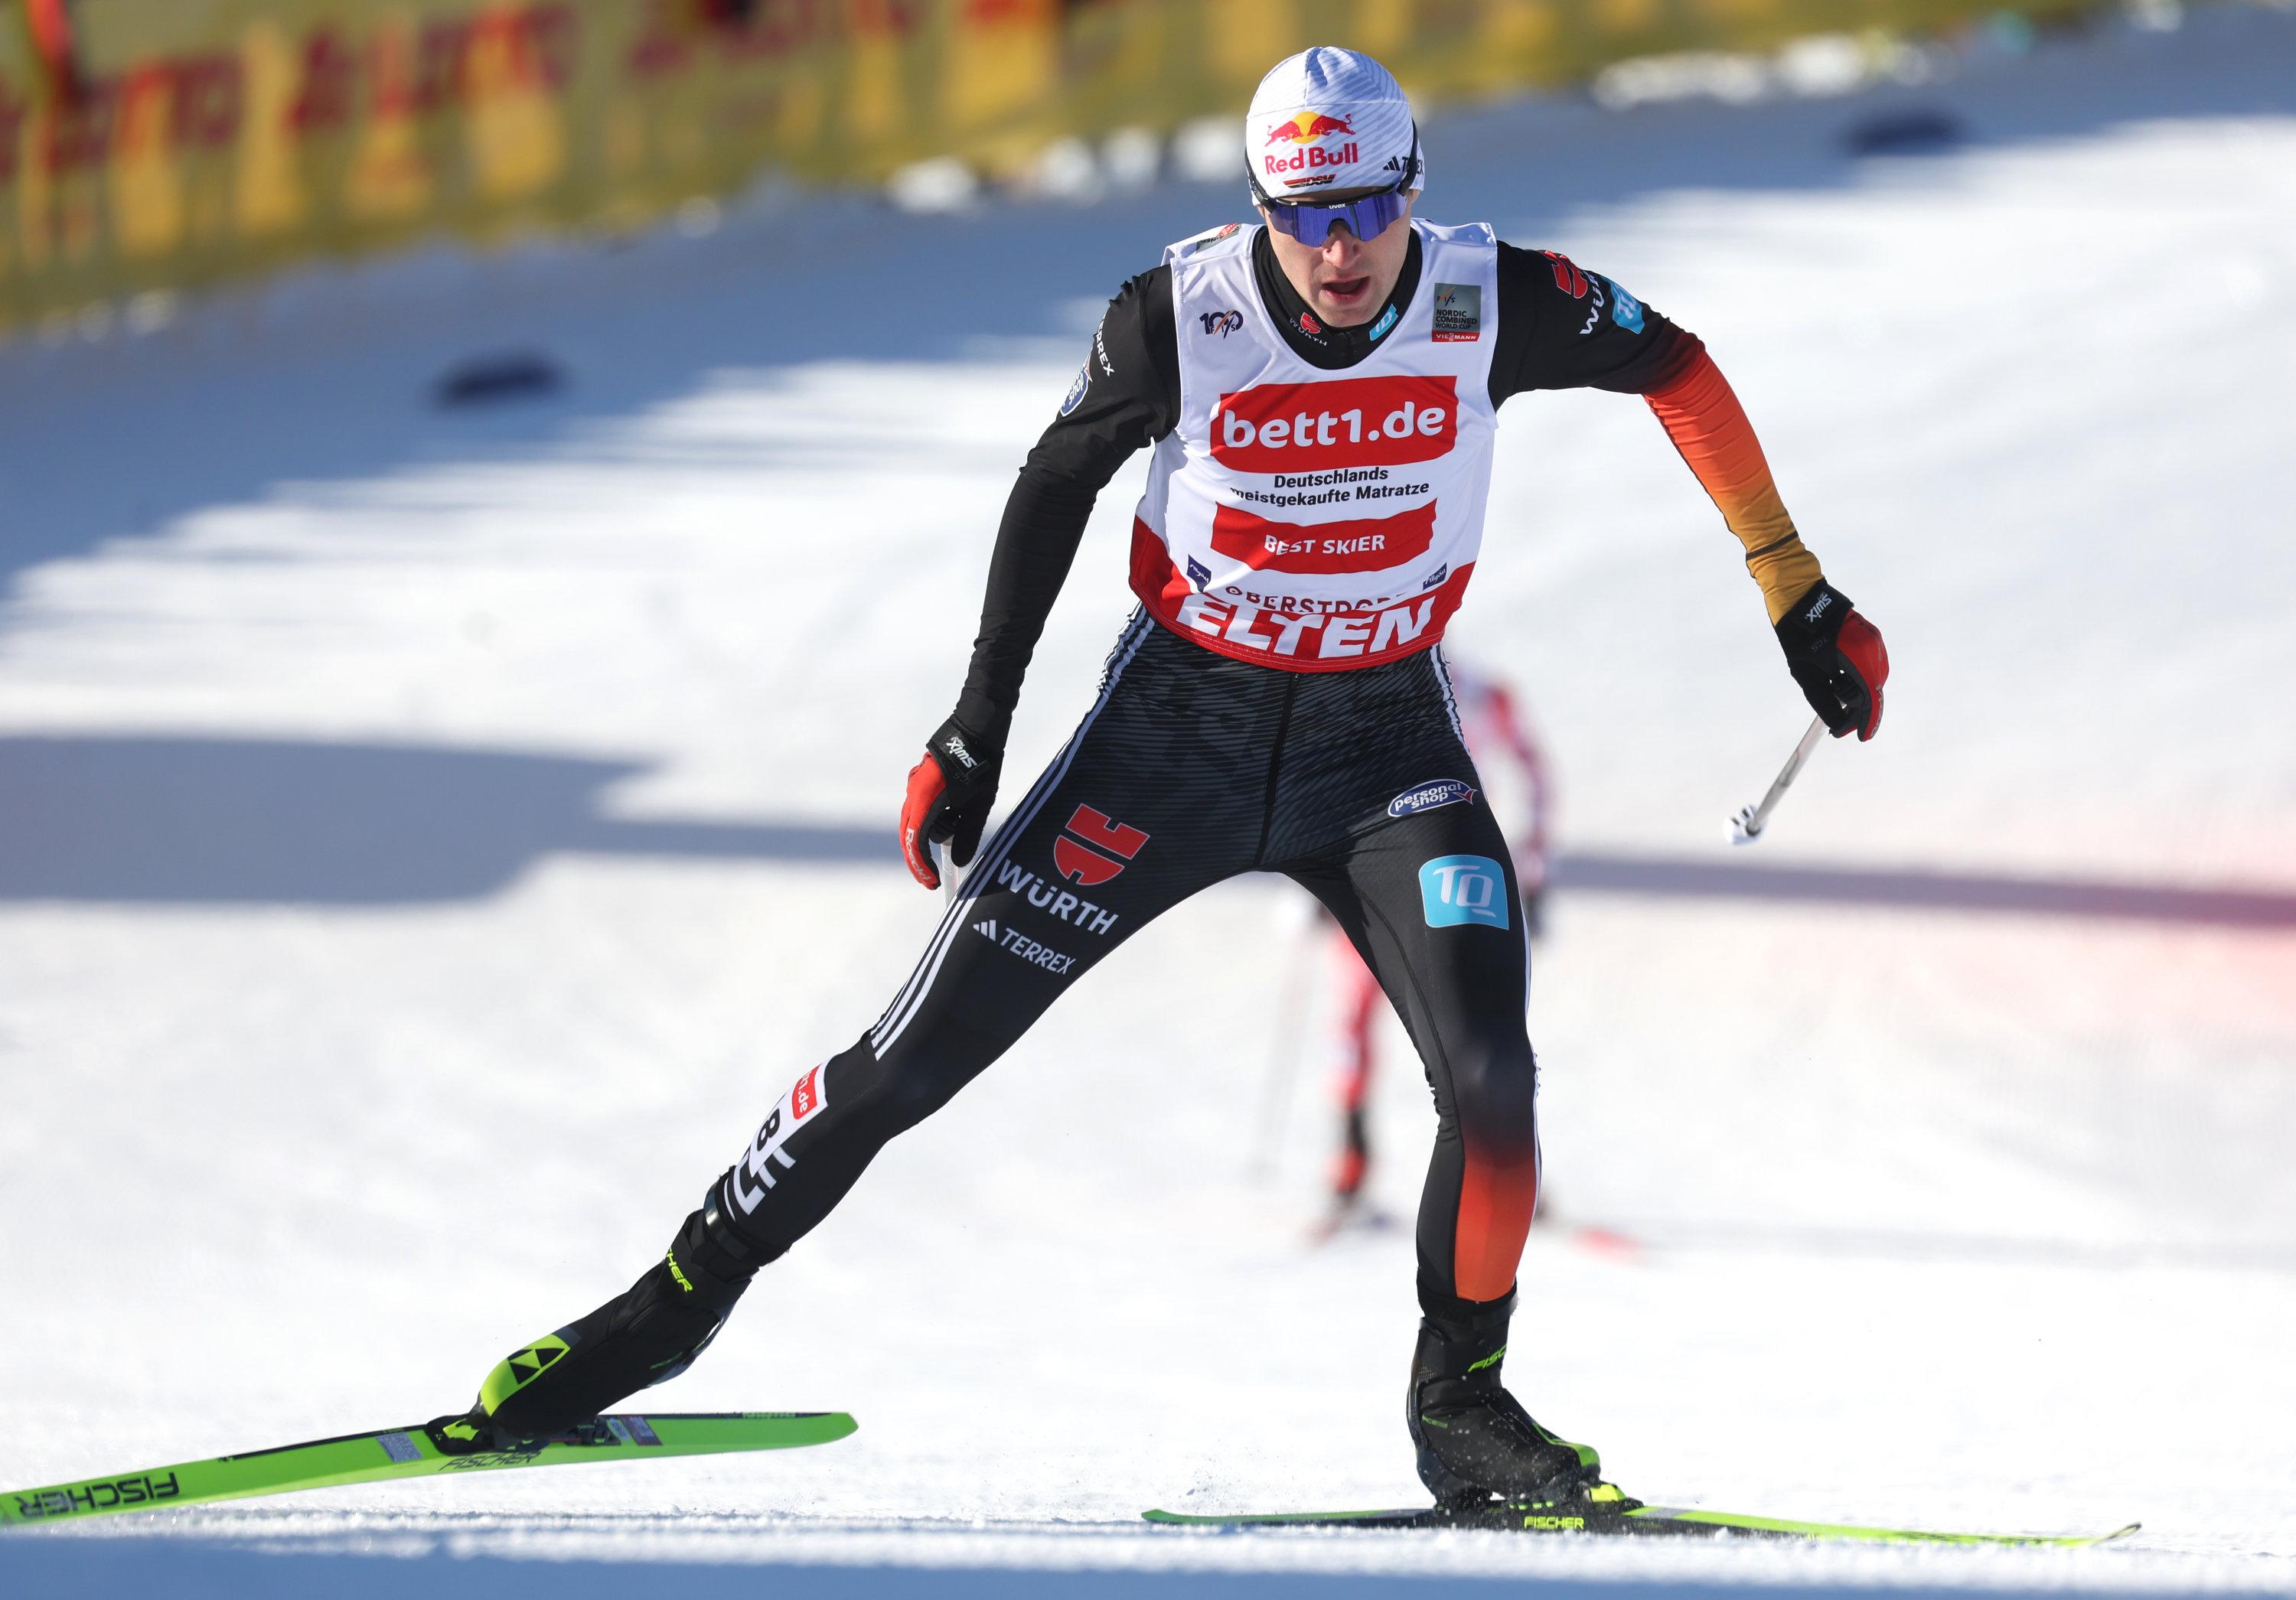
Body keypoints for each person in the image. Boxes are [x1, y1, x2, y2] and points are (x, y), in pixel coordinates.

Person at [440, 47, 1888, 1510]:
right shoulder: (1178, 314)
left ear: (1412, 191)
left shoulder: (1488, 296)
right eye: (1300, 213)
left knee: (1496, 1084)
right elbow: (1052, 484)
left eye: (1365, 210)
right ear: (1257, 202)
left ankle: (1463, 1411)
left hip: (1382, 746)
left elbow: (1680, 370)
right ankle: (655, 1316)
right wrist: (972, 729)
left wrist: (1796, 589)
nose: (1334, 250)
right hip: (1171, 742)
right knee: (908, 1065)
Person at [1320, 657, 1551, 1225]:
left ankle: (1506, 1169)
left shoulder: (1478, 693)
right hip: (1386, 876)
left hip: (1443, 875)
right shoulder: (1372, 689)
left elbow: (1534, 772)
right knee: (1357, 1020)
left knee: (1472, 1024)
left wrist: (1533, 867)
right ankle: (1352, 1169)